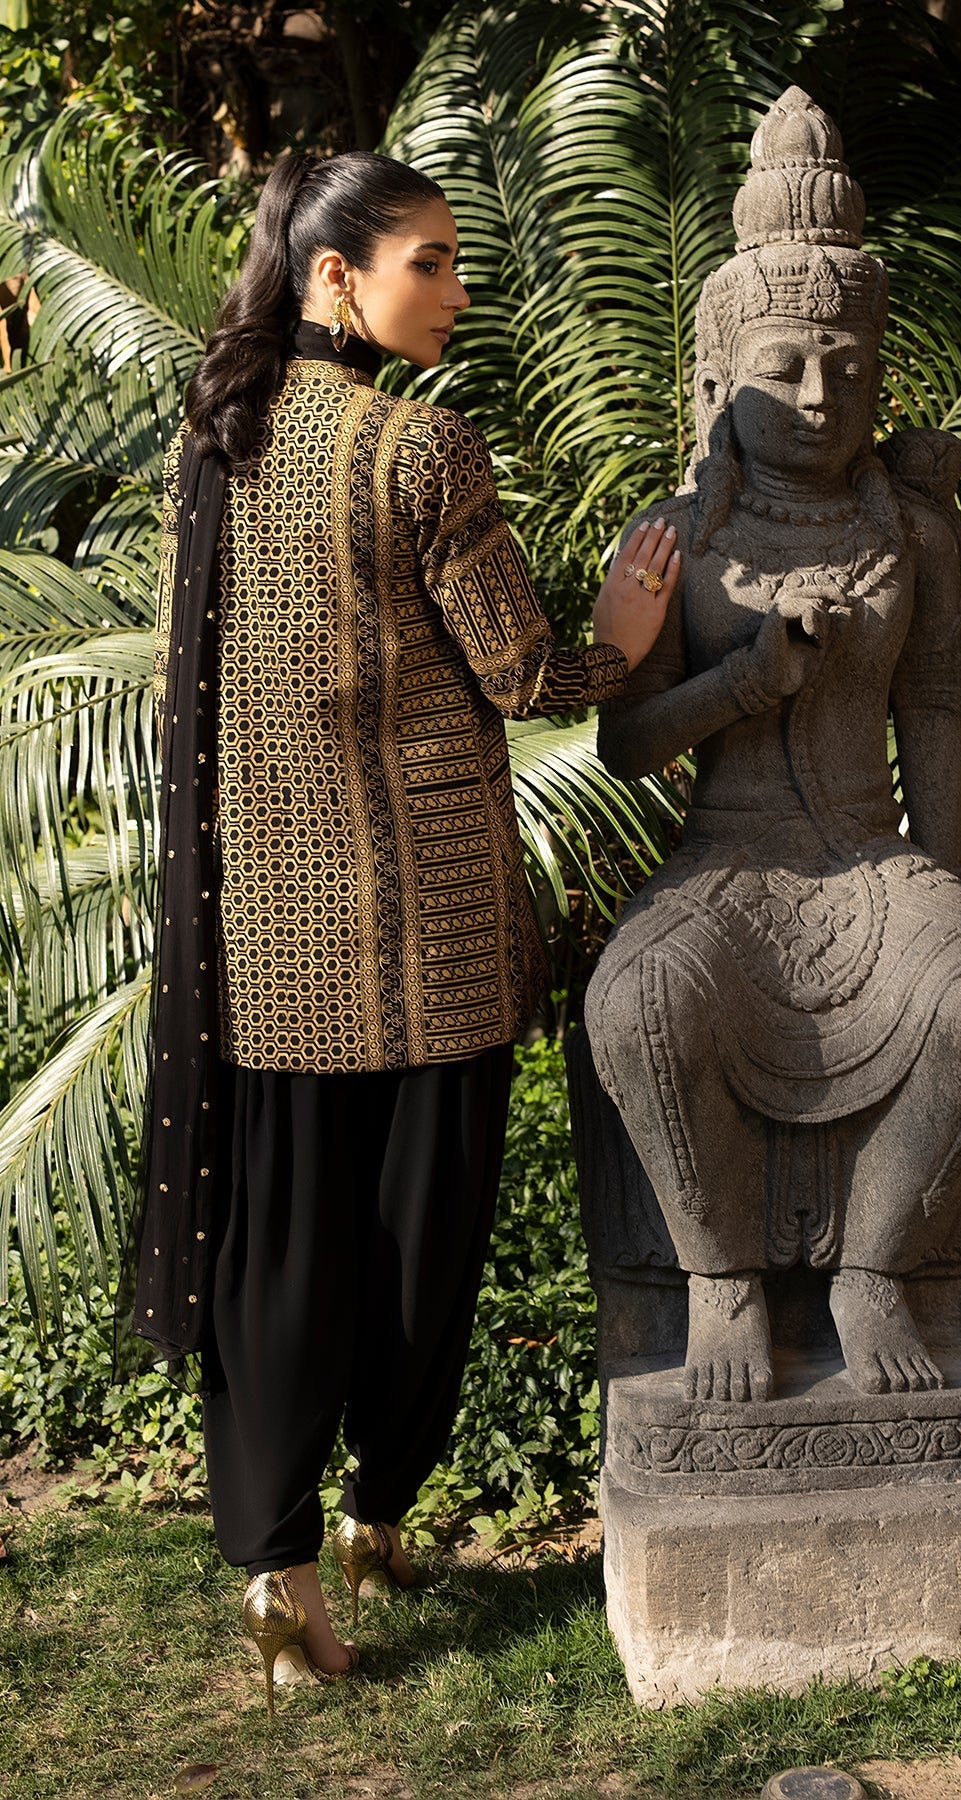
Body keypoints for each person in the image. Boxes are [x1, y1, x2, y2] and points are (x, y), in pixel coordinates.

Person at [131, 149, 676, 1712]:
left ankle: (283, 1575)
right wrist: (623, 640)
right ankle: (377, 1520)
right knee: (417, 1239)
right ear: (335, 276)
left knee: (281, 1252)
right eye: (427, 261)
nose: (456, 289)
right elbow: (525, 677)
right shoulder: (421, 446)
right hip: (430, 932)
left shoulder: (215, 442)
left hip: (265, 944)